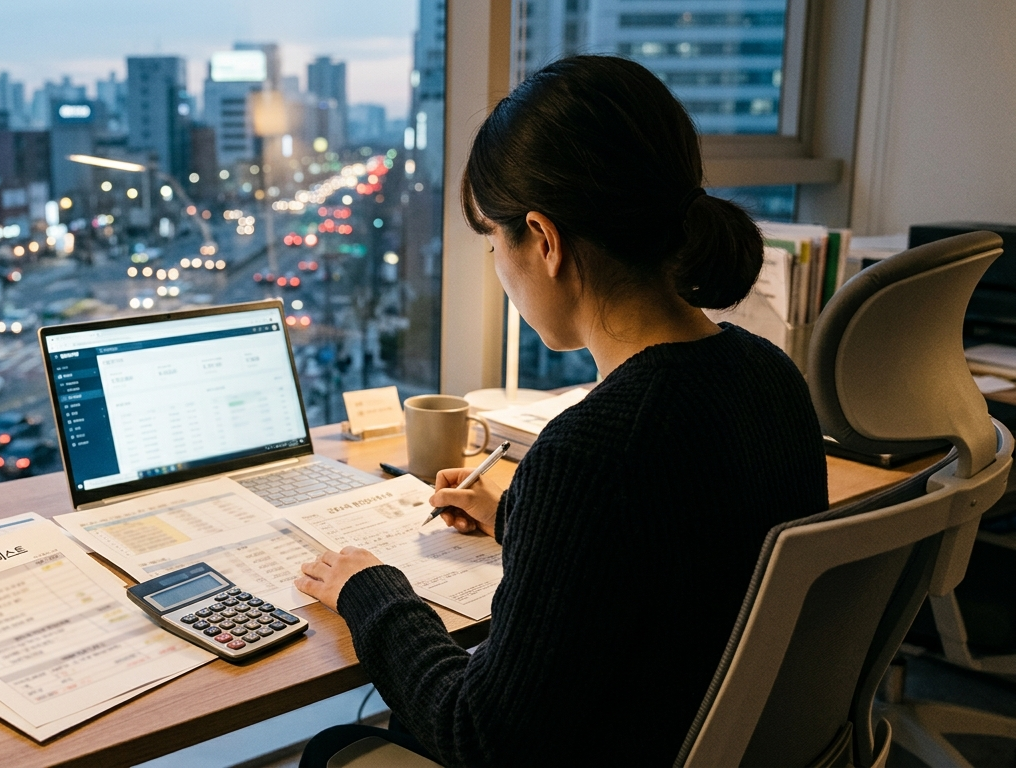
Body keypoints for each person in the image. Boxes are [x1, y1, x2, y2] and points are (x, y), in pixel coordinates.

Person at [294, 55, 828, 767]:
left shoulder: (589, 452)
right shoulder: (771, 375)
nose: (496, 264)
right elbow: (672, 552)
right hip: (711, 736)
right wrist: (511, 513)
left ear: (543, 241)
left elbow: (480, 736)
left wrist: (372, 592)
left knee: (340, 747)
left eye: (492, 241)